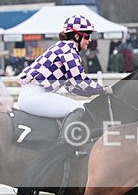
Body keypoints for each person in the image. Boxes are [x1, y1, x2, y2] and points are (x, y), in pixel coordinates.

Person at [17, 14, 110, 144]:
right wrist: (102, 89)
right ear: (77, 36)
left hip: (33, 95)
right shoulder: (68, 50)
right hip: (34, 96)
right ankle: (65, 146)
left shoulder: (63, 48)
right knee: (78, 109)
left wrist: (97, 92)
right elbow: (80, 80)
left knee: (78, 106)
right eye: (87, 36)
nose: (90, 40)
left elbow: (73, 88)